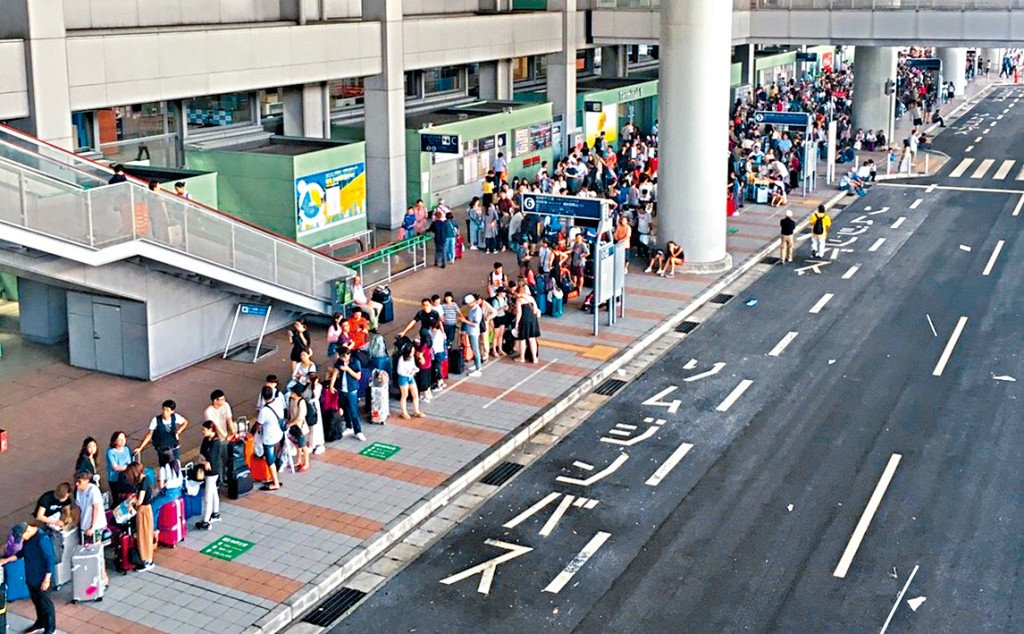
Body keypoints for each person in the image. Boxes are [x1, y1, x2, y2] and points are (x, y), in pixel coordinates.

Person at [0, 523, 56, 634]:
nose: (22, 540)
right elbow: (22, 553)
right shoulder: (27, 539)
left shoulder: (42, 539)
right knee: (37, 602)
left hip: (42, 578)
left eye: (21, 537)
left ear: (27, 531)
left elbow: (50, 560)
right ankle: (40, 623)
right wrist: (6, 560)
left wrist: (47, 579)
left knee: (46, 604)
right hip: (31, 577)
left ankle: (50, 629)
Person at [124, 462, 154, 570]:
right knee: (144, 534)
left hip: (143, 511)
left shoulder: (143, 483)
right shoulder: (144, 480)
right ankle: (146, 558)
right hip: (145, 510)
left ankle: (146, 560)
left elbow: (140, 500)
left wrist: (131, 502)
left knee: (144, 535)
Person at [194, 421, 223, 531]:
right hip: (210, 471)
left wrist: (204, 461)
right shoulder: (207, 439)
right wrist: (204, 461)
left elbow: (209, 461)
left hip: (212, 472)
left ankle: (206, 521)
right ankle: (215, 513)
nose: (202, 432)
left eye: (204, 430)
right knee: (213, 492)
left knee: (207, 497)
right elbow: (202, 454)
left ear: (211, 430)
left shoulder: (216, 443)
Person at [333, 347, 365, 440]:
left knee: (353, 411)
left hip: (351, 390)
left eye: (344, 356)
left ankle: (358, 431)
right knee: (346, 410)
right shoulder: (339, 362)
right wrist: (332, 385)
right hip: (342, 390)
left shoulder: (355, 362)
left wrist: (347, 369)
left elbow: (358, 377)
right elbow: (335, 372)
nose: (343, 358)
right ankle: (349, 426)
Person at [257, 386, 285, 490]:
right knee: (274, 454)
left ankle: (275, 483)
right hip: (279, 434)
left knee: (270, 461)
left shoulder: (264, 410)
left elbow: (259, 424)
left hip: (269, 438)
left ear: (263, 397)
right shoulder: (278, 402)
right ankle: (276, 469)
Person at [149, 448, 183, 531]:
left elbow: (161, 486)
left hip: (169, 494)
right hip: (179, 491)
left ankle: (153, 529)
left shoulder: (163, 469)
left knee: (152, 506)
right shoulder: (177, 462)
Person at [74, 471, 107, 547]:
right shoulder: (78, 491)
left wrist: (92, 527)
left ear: (87, 480)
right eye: (76, 481)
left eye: (79, 482)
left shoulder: (93, 490)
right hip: (85, 526)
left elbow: (95, 508)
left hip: (96, 526)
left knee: (96, 548)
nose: (77, 484)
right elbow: (79, 508)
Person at [395, 343, 425, 419]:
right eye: (411, 351)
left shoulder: (411, 358)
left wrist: (415, 369)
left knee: (415, 394)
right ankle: (404, 412)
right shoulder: (401, 359)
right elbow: (400, 371)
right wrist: (410, 372)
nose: (413, 353)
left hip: (410, 377)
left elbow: (413, 366)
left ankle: (416, 411)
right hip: (403, 377)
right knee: (404, 395)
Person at [514, 286, 542, 364]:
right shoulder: (531, 298)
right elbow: (535, 310)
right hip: (532, 321)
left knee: (522, 340)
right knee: (532, 339)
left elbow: (519, 313)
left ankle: (522, 358)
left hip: (524, 320)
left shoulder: (519, 300)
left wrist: (516, 324)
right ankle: (534, 358)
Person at [458, 294, 484, 377]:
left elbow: (475, 324)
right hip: (471, 331)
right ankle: (476, 364)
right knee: (474, 349)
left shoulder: (477, 311)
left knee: (476, 350)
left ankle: (478, 369)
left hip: (474, 332)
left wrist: (465, 321)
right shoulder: (473, 309)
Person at [287, 384, 311, 473]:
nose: (290, 393)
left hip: (301, 428)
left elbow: (300, 417)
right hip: (293, 426)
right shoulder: (291, 400)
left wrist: (290, 424)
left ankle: (307, 463)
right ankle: (299, 460)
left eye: (292, 392)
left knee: (303, 445)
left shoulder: (301, 402)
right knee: (297, 444)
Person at [106, 431, 133, 497]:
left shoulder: (126, 449)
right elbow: (115, 467)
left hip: (126, 477)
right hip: (115, 479)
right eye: (120, 440)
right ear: (115, 441)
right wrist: (129, 467)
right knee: (117, 498)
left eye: (124, 439)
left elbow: (130, 461)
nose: (123, 441)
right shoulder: (111, 452)